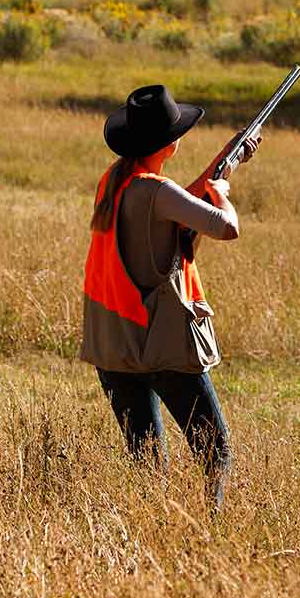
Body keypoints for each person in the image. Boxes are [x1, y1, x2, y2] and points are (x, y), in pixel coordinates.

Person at [80, 84, 256, 511]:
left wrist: (223, 166)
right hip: (162, 346)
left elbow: (176, 199)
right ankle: (211, 529)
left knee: (146, 462)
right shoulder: (158, 192)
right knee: (216, 451)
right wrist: (223, 195)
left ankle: (149, 528)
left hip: (117, 347)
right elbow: (223, 226)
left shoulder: (116, 181)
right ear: (168, 143)